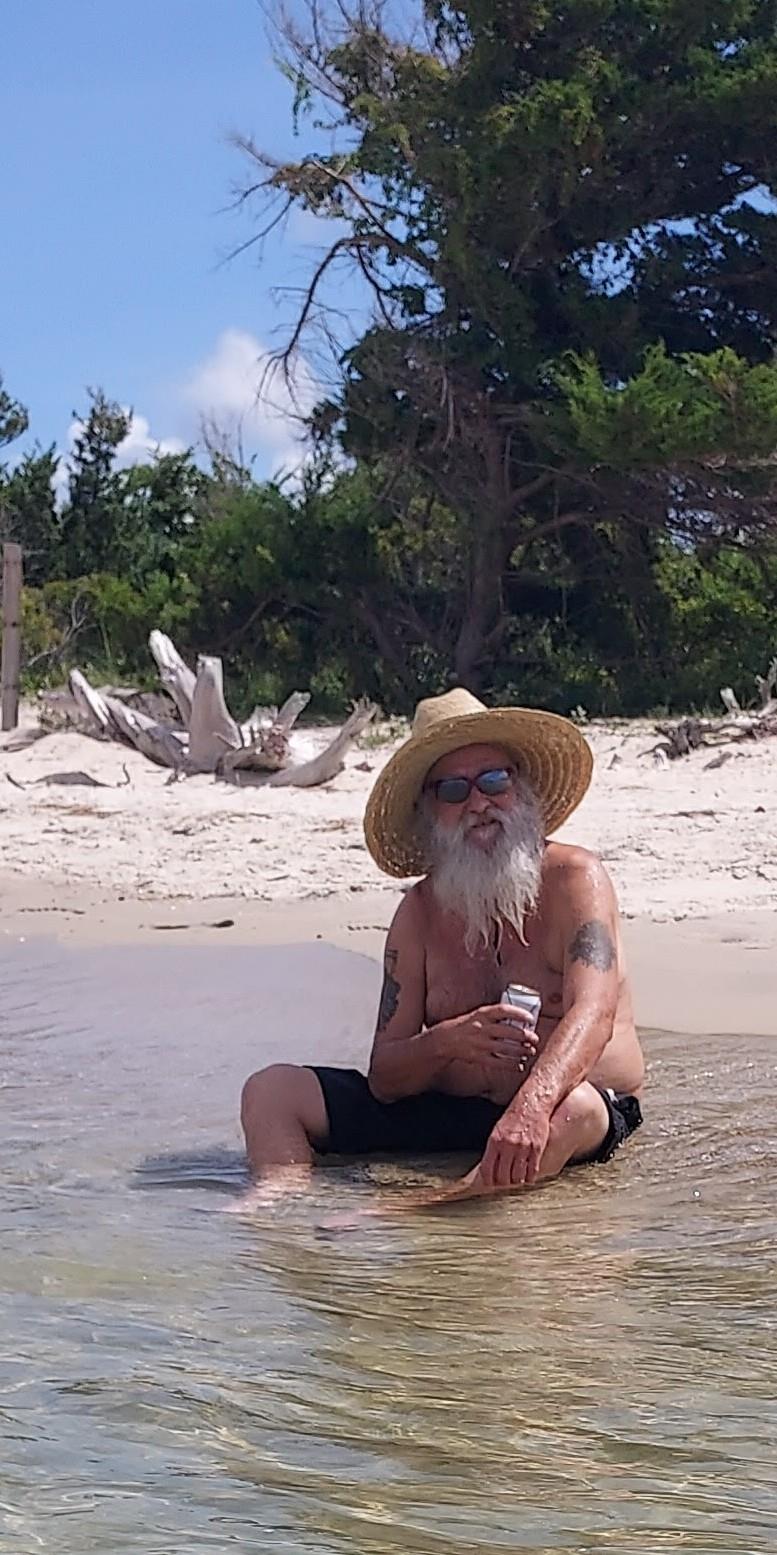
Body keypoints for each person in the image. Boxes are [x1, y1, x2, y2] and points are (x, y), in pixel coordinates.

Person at [240, 688, 644, 1198]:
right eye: (453, 790)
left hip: (565, 1110)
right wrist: (449, 1041)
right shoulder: (418, 914)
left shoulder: (575, 880)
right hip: (453, 1114)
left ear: (522, 789)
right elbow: (385, 1077)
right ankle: (278, 1203)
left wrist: (530, 1108)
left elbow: (596, 1015)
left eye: (494, 780)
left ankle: (430, 1206)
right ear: (430, 810)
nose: (479, 803)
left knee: (580, 1108)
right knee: (272, 1091)